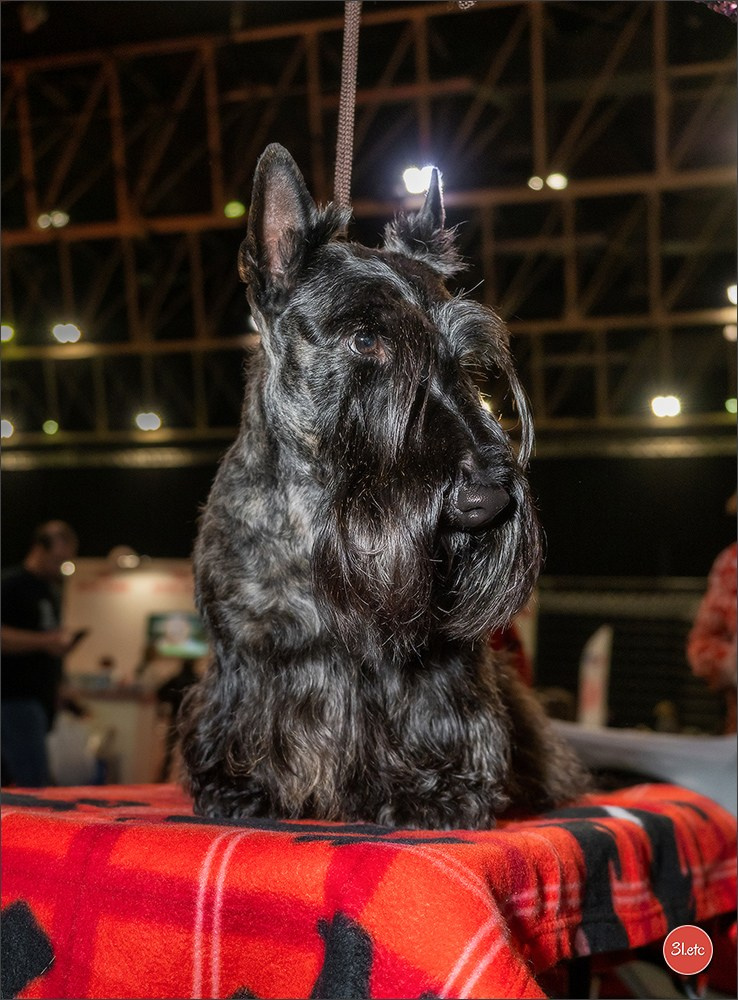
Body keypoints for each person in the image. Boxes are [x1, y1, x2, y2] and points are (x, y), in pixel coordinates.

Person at [1, 521, 80, 786]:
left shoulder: (51, 592)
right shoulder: (11, 585)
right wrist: (44, 641)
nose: (60, 567)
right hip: (13, 698)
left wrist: (59, 684)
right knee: (33, 786)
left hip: (40, 699)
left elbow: (50, 644)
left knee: (30, 781)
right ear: (39, 548)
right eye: (58, 559)